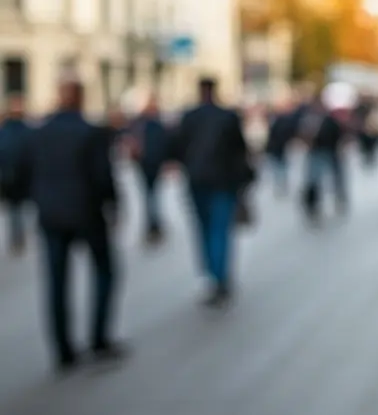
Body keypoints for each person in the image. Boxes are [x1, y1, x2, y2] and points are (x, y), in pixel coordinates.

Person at [16, 80, 127, 372]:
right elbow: (103, 174)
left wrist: (37, 199)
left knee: (56, 281)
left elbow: (23, 172)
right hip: (86, 212)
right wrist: (114, 204)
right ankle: (98, 338)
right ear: (81, 98)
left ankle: (63, 349)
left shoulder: (38, 133)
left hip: (51, 214)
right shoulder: (91, 132)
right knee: (104, 271)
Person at [173, 77, 251, 307]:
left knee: (205, 229)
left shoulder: (190, 117)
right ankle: (219, 277)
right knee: (220, 229)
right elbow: (240, 150)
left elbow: (178, 148)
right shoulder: (228, 117)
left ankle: (212, 275)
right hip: (223, 181)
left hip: (198, 180)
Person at [128, 94, 170, 246]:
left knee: (150, 195)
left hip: (148, 164)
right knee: (151, 195)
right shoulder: (150, 123)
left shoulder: (143, 123)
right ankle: (153, 225)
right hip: (149, 164)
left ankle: (153, 224)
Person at [302, 98, 347, 217]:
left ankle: (339, 199)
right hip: (317, 152)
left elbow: (339, 134)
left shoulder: (330, 121)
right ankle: (313, 204)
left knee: (336, 178)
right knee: (314, 179)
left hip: (330, 152)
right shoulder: (309, 121)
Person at [0, 93, 32, 256]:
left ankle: (18, 238)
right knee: (16, 209)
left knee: (17, 209)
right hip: (14, 177)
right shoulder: (9, 131)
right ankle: (18, 238)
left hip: (15, 176)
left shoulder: (7, 131)